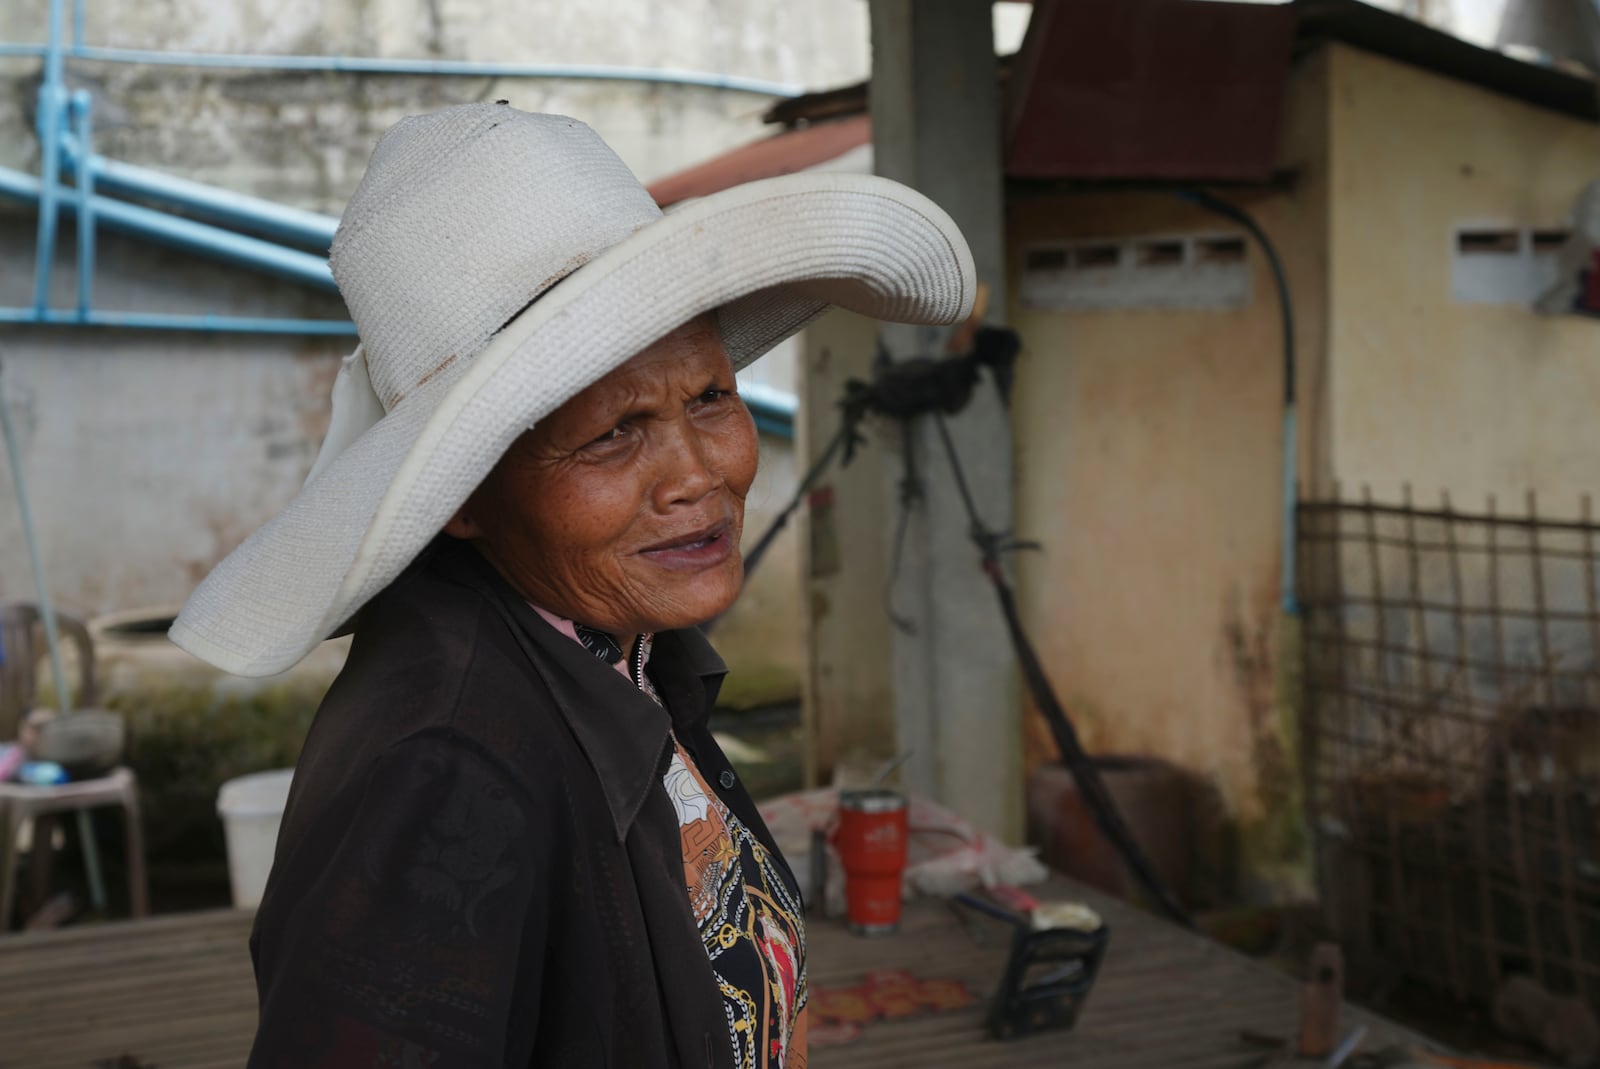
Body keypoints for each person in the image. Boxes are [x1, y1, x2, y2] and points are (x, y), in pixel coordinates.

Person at [171, 102, 974, 1068]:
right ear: (465, 492)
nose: (697, 473)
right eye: (613, 432)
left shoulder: (622, 655)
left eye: (711, 397)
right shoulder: (446, 774)